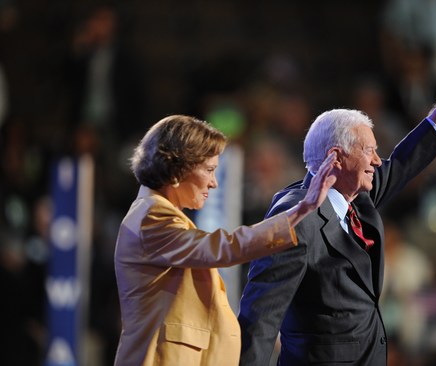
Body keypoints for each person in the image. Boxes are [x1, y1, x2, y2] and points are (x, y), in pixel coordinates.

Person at [238, 30, 436, 365]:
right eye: (370, 152)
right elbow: (259, 318)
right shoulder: (295, 218)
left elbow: (405, 161)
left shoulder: (356, 199)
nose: (378, 161)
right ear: (336, 158)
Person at [113, 115, 337, 366]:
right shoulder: (152, 216)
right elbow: (224, 247)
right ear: (177, 168)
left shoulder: (157, 214)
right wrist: (300, 209)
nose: (214, 182)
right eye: (209, 170)